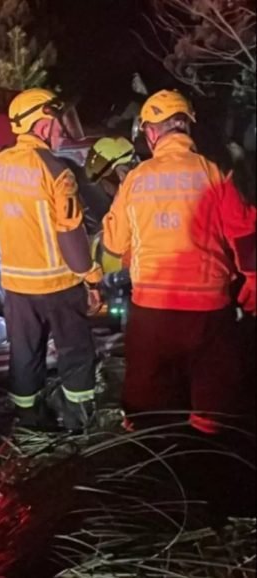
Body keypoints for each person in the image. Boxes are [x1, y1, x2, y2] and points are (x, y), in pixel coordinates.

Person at [101, 89, 257, 434]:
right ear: (186, 126)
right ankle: (208, 465)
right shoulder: (214, 174)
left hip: (152, 313)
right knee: (213, 406)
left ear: (151, 132)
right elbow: (243, 231)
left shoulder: (136, 179)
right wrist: (252, 279)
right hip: (208, 311)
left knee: (148, 411)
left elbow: (113, 243)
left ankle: (155, 468)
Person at [0, 88, 103, 432]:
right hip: (60, 284)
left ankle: (29, 418)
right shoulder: (56, 171)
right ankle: (79, 422)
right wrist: (92, 278)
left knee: (24, 354)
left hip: (18, 287)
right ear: (42, 123)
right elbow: (72, 238)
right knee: (76, 353)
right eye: (57, 122)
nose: (62, 130)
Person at [85, 136, 138, 275]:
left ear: (121, 174)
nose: (103, 186)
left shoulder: (128, 196)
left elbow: (115, 245)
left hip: (130, 272)